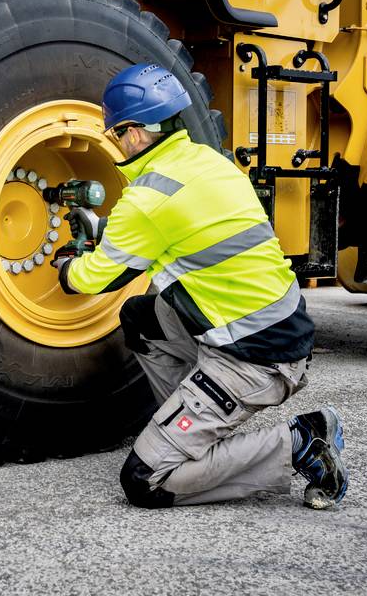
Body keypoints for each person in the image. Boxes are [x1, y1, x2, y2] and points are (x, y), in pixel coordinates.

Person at [53, 63, 348, 509]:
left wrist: (65, 265)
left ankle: (300, 442)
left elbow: (94, 278)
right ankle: (185, 428)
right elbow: (176, 228)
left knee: (146, 480)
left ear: (134, 134)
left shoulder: (147, 199)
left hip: (256, 357)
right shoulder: (210, 162)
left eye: (115, 134)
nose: (115, 142)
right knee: (140, 318)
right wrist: (106, 229)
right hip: (276, 328)